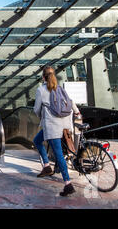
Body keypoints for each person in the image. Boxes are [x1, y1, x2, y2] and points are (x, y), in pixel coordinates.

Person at [33, 66, 80, 197]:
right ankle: (47, 166)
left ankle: (68, 184)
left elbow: (37, 109)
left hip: (52, 126)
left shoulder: (41, 90)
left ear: (43, 77)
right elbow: (70, 101)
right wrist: (77, 111)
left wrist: (41, 116)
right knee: (37, 140)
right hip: (64, 124)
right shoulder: (59, 88)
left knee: (58, 154)